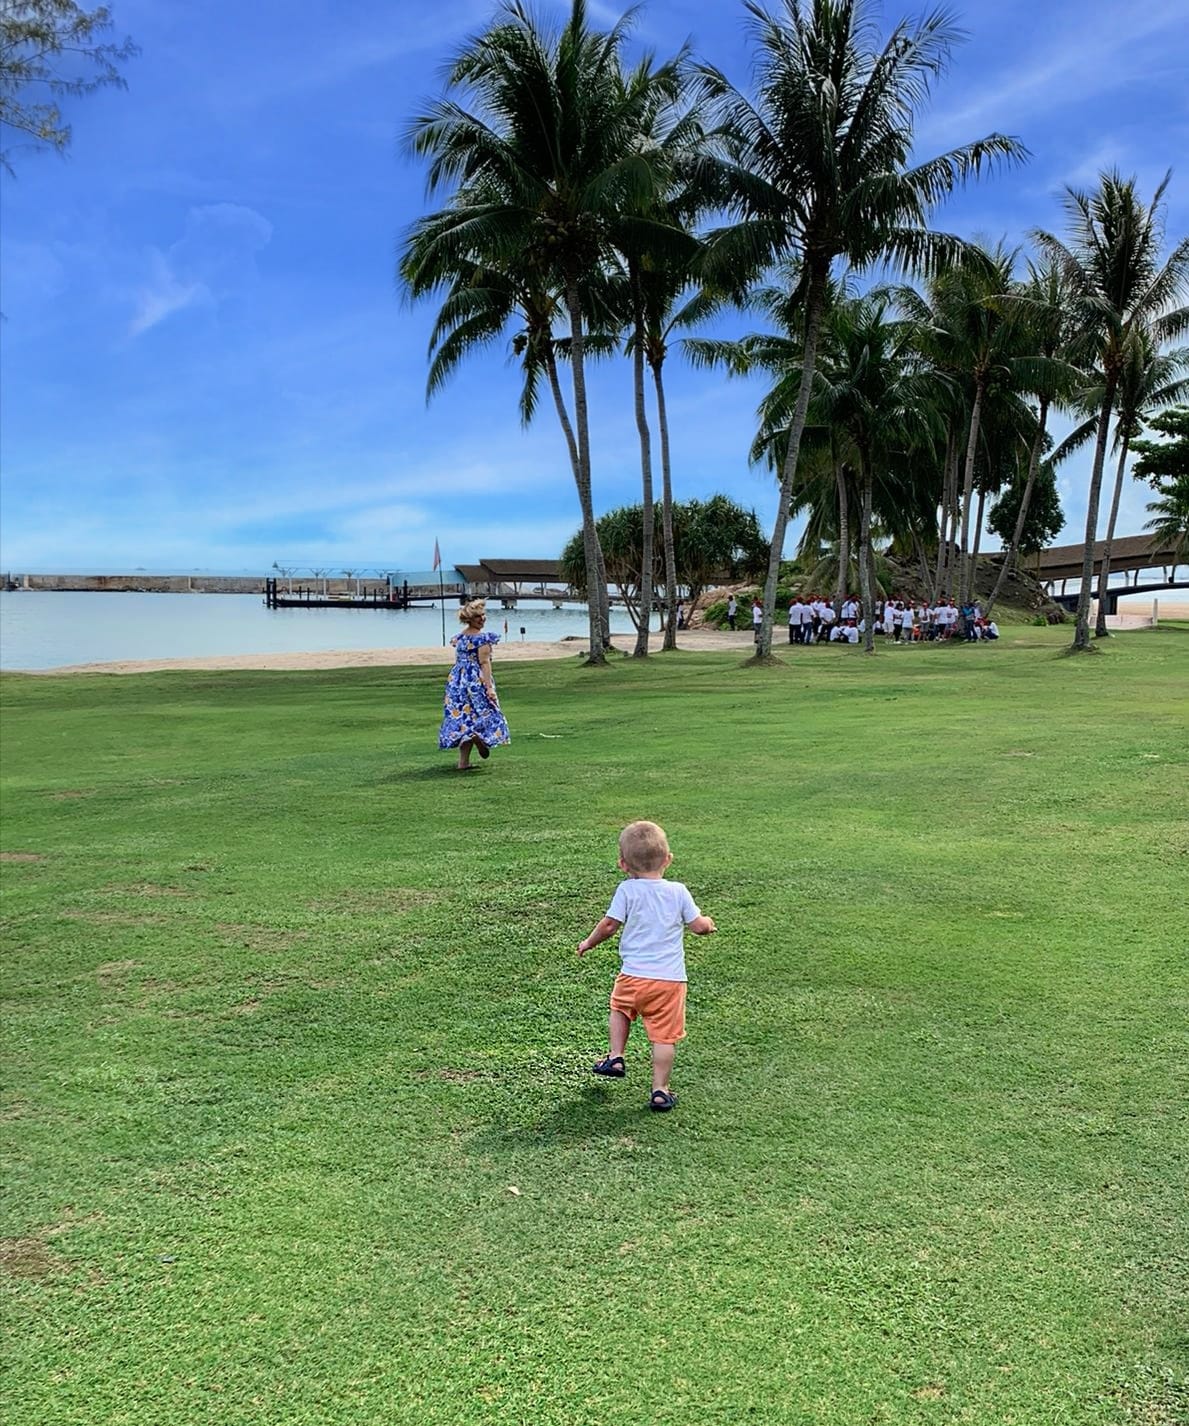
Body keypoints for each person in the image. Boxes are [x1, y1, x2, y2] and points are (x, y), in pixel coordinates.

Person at [578, 820, 716, 1112]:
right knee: (664, 1037)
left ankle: (616, 1056)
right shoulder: (678, 891)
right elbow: (697, 925)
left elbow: (609, 925)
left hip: (632, 976)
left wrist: (589, 942)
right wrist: (707, 924)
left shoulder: (627, 890)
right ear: (668, 859)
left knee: (620, 1009)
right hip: (669, 981)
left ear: (623, 864)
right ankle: (660, 1090)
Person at [438, 599, 510, 771]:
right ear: (470, 619)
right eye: (478, 616)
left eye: (483, 615)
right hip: (475, 680)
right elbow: (484, 663)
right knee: (485, 712)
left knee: (463, 716)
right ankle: (479, 738)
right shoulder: (482, 639)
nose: (482, 619)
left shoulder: (460, 638)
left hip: (457, 681)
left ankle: (463, 761)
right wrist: (489, 688)